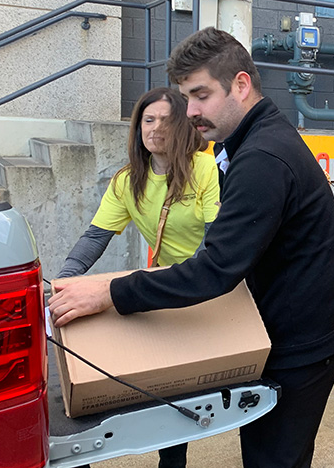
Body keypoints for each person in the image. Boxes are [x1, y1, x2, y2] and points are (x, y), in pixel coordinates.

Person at [48, 27, 334, 468]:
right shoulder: (248, 141)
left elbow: (215, 269)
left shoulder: (262, 157)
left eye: (201, 95)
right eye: (185, 98)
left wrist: (108, 293)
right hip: (283, 324)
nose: (189, 112)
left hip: (304, 341)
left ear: (241, 85)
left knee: (274, 459)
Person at [57, 87, 218, 468]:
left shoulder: (205, 170)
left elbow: (214, 247)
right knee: (153, 382)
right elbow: (95, 237)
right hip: (163, 286)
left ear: (184, 125)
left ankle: (172, 460)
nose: (155, 128)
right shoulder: (127, 180)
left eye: (166, 119)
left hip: (206, 286)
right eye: (148, 120)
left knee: (183, 388)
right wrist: (62, 283)